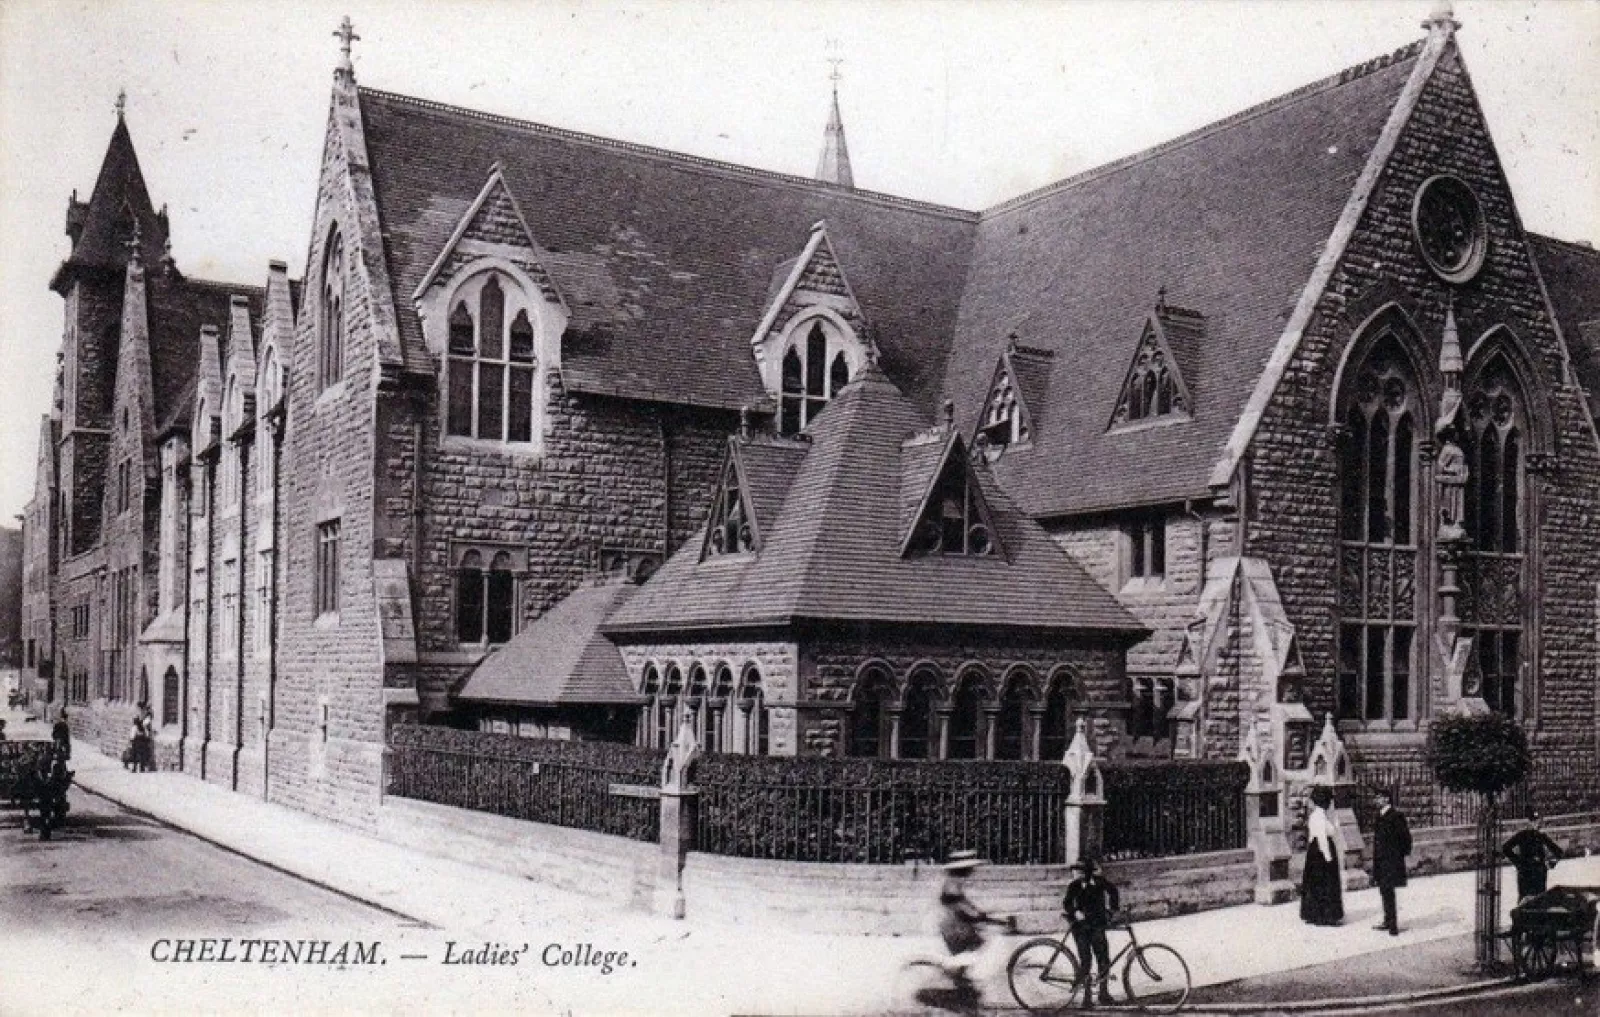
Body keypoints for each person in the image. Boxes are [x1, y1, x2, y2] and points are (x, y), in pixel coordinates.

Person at [936, 850, 1002, 993]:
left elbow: (966, 904)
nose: (972, 870)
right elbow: (960, 906)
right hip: (953, 926)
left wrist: (981, 914)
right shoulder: (952, 883)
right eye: (969, 868)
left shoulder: (955, 881)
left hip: (955, 923)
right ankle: (956, 976)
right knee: (974, 944)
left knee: (972, 949)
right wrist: (978, 916)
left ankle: (959, 979)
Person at [1062, 857, 1120, 1007]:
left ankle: (1104, 994)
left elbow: (1113, 891)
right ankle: (1086, 998)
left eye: (1080, 871)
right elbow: (1067, 902)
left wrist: (1111, 910)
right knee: (1086, 961)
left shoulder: (1099, 882)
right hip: (1081, 928)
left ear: (1087, 873)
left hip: (1097, 926)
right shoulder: (1074, 886)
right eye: (1075, 871)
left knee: (1103, 959)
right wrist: (1075, 912)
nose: (1076, 874)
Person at [1300, 785, 1345, 926]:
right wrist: (1328, 857)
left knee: (1317, 884)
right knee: (1325, 884)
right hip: (1321, 853)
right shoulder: (1318, 816)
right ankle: (1325, 916)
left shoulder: (1320, 815)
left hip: (1315, 852)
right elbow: (1321, 838)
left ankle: (1315, 914)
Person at [1370, 788, 1412, 935]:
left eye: (1379, 797)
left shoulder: (1396, 815)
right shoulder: (1379, 816)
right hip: (1381, 860)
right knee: (1384, 890)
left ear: (1387, 799)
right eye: (1376, 797)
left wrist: (1398, 855)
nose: (1376, 800)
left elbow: (1405, 838)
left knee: (1389, 891)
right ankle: (1387, 920)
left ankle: (1393, 925)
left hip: (1391, 860)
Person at [1502, 813, 1564, 902]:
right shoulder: (1521, 835)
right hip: (1525, 873)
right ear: (1529, 822)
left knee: (1539, 900)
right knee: (1524, 901)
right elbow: (1505, 848)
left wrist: (1551, 863)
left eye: (1539, 821)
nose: (1537, 823)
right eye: (1534, 821)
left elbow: (1558, 852)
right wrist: (1519, 863)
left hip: (1539, 873)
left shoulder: (1541, 836)